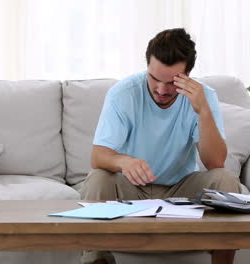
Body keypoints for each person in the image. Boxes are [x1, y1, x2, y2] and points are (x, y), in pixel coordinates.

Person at [80, 28, 241, 264]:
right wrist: (124, 161)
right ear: (147, 67)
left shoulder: (204, 97)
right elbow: (98, 156)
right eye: (154, 79)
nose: (161, 90)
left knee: (225, 179)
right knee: (98, 178)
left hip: (180, 190)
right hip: (132, 188)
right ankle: (97, 260)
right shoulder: (123, 93)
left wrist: (203, 111)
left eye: (172, 82)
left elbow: (214, 163)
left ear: (188, 75)